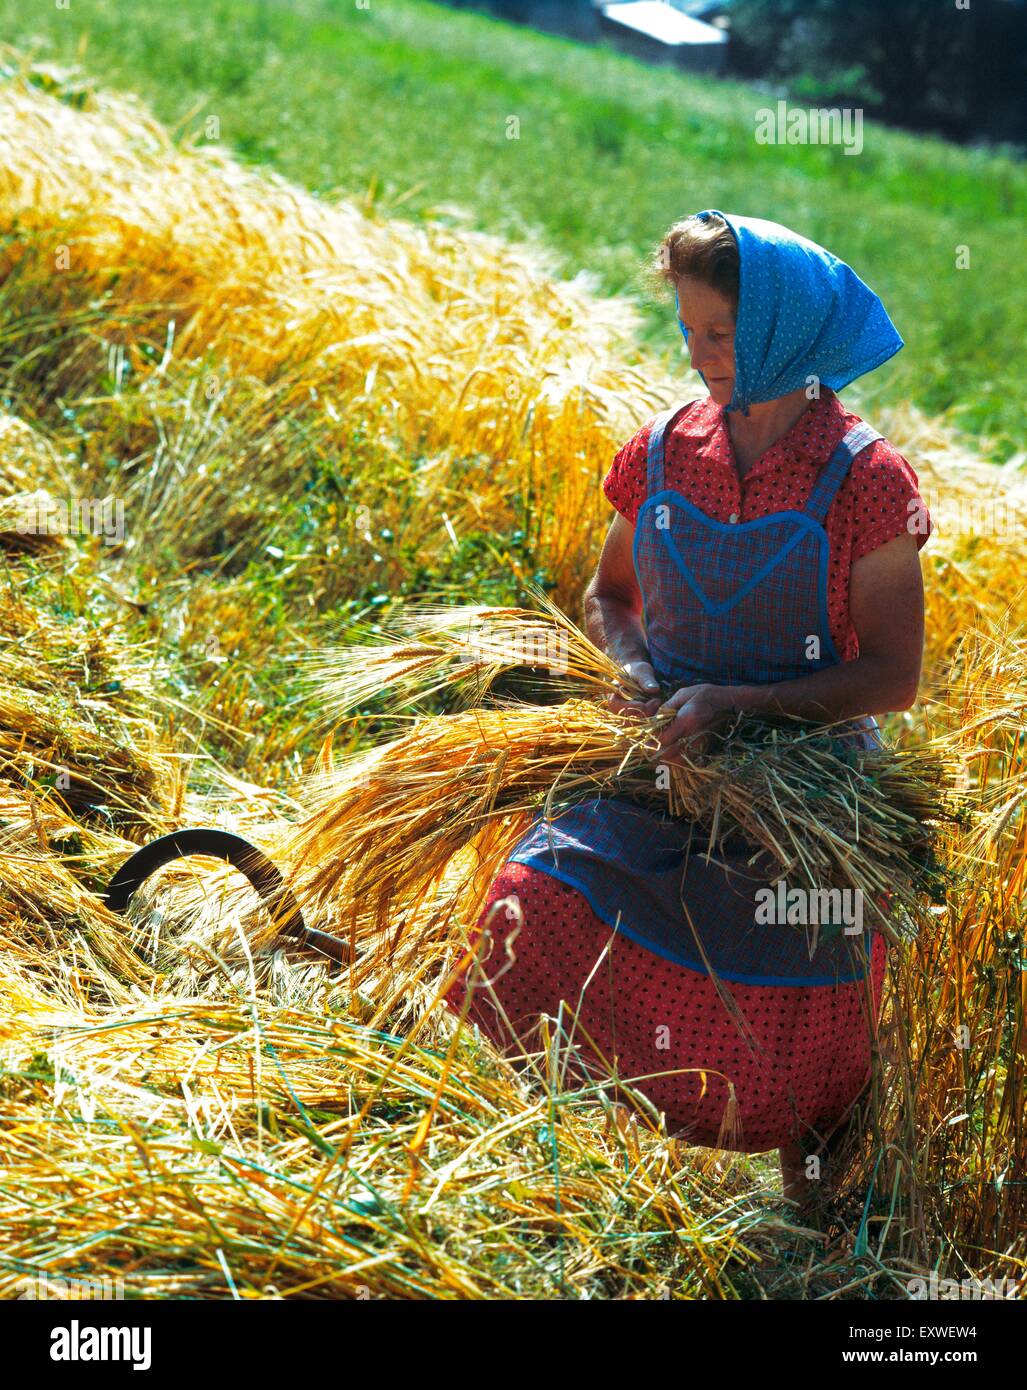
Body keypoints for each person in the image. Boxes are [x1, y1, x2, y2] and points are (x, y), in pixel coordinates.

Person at [443, 209, 932, 1203]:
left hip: (805, 793)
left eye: (724, 335)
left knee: (802, 1029)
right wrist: (633, 678)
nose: (701, 355)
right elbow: (610, 598)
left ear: (785, 338)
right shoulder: (661, 455)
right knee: (531, 911)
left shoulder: (867, 484)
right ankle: (530, 1186)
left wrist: (743, 704)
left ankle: (817, 1240)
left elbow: (892, 673)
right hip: (658, 761)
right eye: (688, 330)